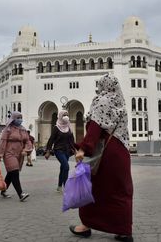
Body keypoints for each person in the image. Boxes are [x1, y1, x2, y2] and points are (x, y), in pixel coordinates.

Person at [70, 74, 133, 242]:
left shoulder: (101, 100)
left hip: (105, 153)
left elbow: (95, 127)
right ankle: (124, 231)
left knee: (93, 188)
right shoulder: (120, 103)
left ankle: (86, 225)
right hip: (121, 152)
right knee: (121, 191)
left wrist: (83, 148)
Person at [0, 111, 33, 201]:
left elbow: (28, 141)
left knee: (11, 173)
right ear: (13, 119)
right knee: (14, 172)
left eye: (21, 117)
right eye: (18, 118)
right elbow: (2, 142)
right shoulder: (8, 129)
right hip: (9, 153)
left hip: (19, 154)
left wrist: (26, 150)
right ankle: (21, 194)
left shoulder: (23, 129)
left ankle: (3, 190)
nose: (20, 119)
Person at [45, 110, 76, 192]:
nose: (66, 116)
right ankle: (66, 186)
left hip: (67, 151)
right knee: (66, 166)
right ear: (60, 116)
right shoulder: (56, 127)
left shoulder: (69, 127)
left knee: (63, 168)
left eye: (67, 115)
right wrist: (48, 151)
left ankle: (59, 186)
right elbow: (51, 139)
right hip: (58, 150)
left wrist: (75, 150)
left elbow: (72, 140)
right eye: (64, 115)